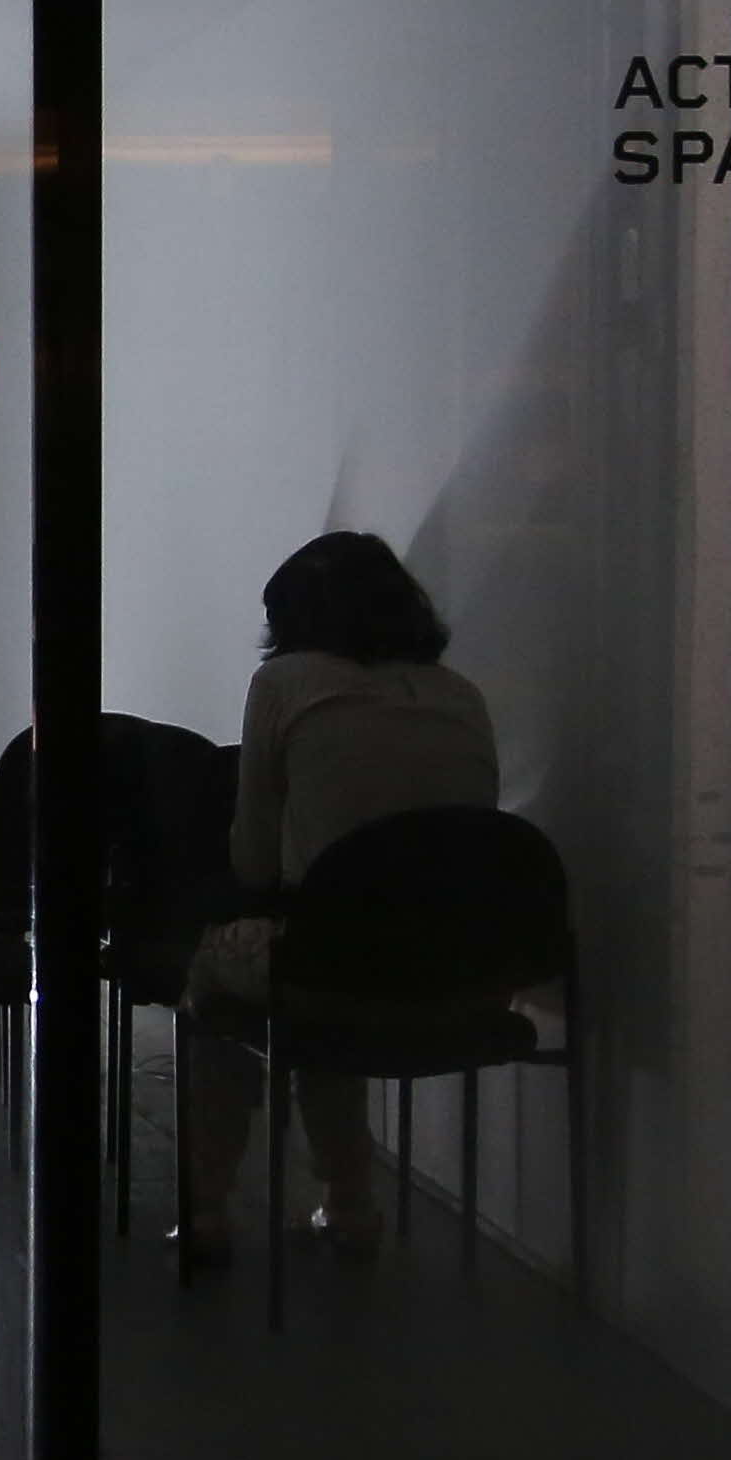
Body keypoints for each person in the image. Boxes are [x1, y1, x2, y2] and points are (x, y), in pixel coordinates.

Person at [175, 531, 501, 1255]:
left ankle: (206, 1210)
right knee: (331, 957)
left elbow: (254, 864)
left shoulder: (285, 684)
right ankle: (349, 1205)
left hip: (333, 965)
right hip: (464, 971)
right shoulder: (461, 693)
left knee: (230, 974)